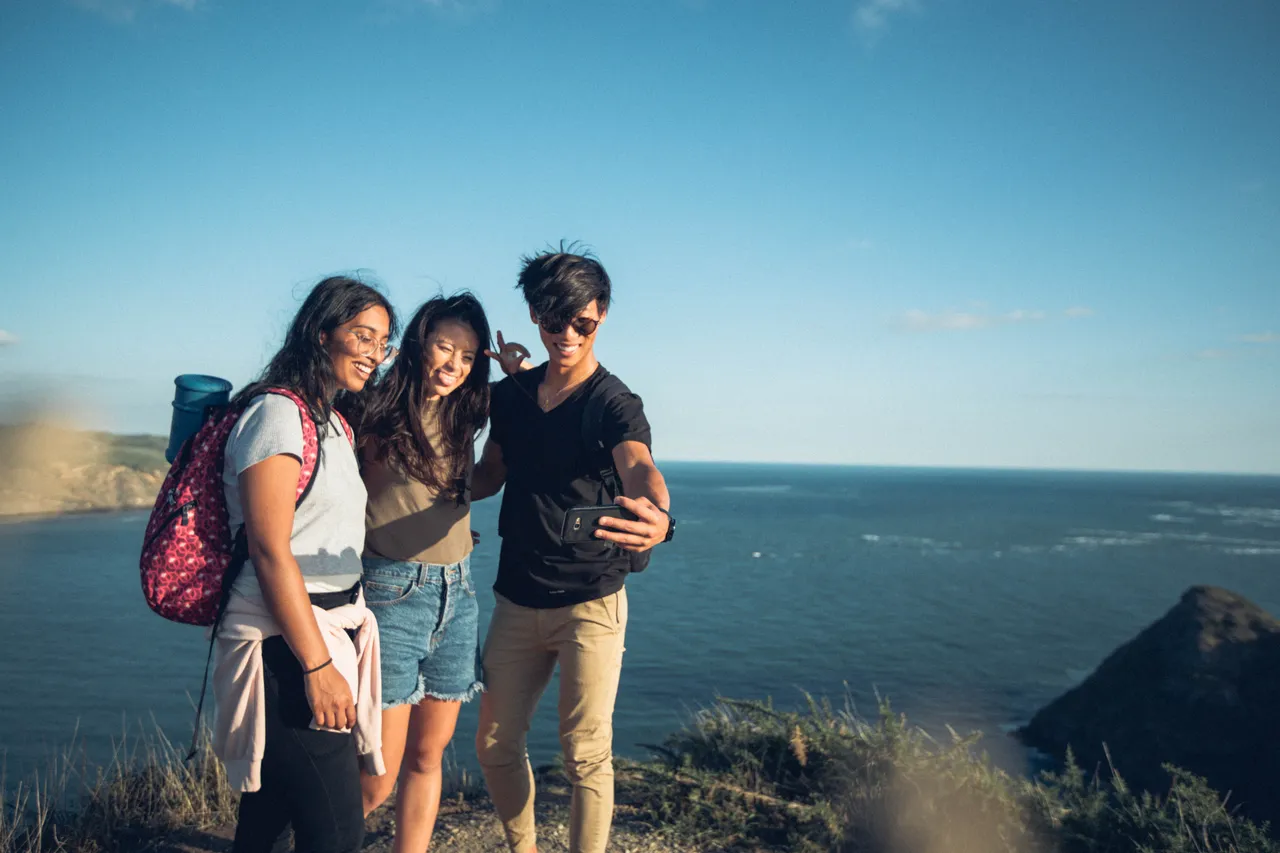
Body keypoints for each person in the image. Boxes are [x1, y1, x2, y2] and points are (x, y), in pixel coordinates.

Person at [472, 246, 676, 853]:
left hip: (591, 600)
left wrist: (658, 516)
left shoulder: (613, 402)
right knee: (494, 746)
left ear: (602, 314)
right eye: (554, 320)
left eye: (582, 322)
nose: (567, 335)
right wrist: (425, 495)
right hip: (517, 597)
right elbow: (488, 475)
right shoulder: (512, 396)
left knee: (585, 752)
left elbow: (639, 467)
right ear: (535, 315)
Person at [211, 275, 397, 853]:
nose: (374, 353)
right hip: (286, 643)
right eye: (362, 335)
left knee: (268, 820)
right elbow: (270, 549)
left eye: (382, 342)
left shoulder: (333, 420)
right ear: (321, 334)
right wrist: (317, 667)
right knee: (336, 834)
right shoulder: (277, 415)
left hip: (320, 630)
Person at [354, 293, 492, 852]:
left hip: (457, 595)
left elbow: (475, 484)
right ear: (419, 343)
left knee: (428, 757)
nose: (454, 364)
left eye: (468, 355)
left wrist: (517, 375)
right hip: (389, 594)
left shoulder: (463, 415)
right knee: (376, 777)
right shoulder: (371, 409)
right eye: (444, 347)